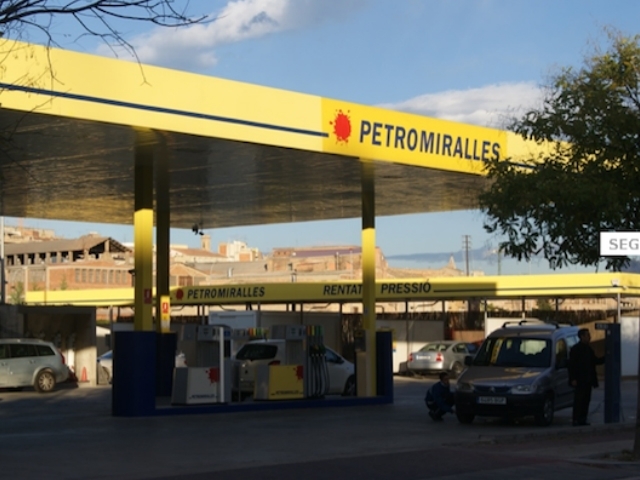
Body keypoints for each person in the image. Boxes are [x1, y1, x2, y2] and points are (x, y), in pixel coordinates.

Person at [569, 328, 605, 426]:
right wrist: (573, 378)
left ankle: (582, 419)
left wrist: (605, 357)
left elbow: (595, 361)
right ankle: (576, 419)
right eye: (587, 335)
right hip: (580, 379)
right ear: (582, 337)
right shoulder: (575, 349)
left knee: (586, 400)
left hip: (588, 380)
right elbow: (572, 365)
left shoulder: (589, 349)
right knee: (579, 400)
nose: (589, 337)